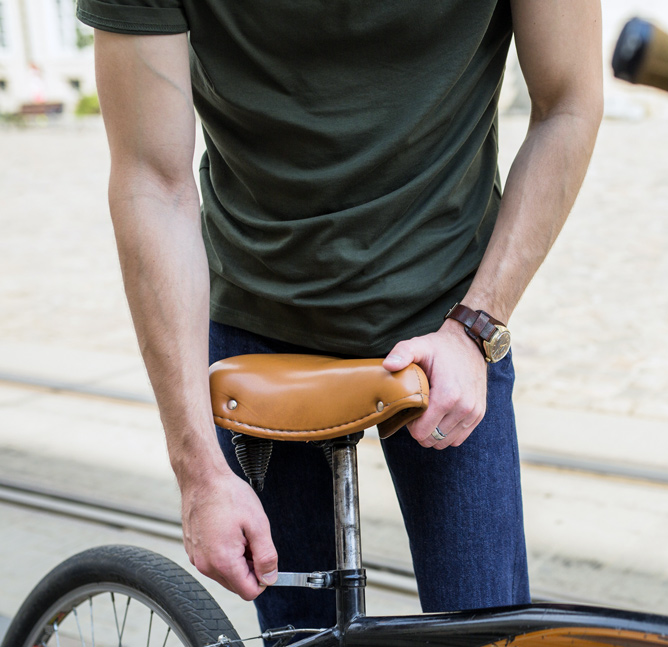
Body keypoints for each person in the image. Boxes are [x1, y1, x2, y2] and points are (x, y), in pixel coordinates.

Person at [76, 0, 603, 633]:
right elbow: (150, 180)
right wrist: (198, 470)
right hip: (261, 324)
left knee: (489, 632)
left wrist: (476, 324)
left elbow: (568, 102)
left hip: (447, 326)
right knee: (298, 632)